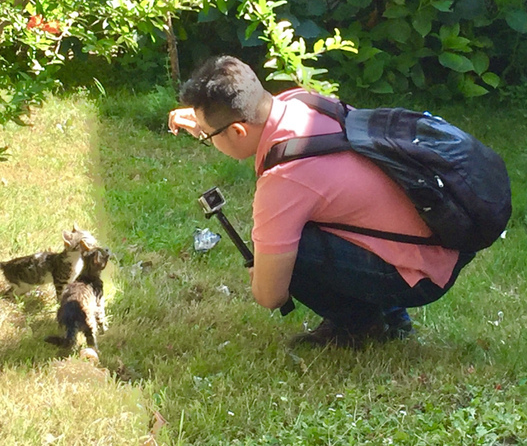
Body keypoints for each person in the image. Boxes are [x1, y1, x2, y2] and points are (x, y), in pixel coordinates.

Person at [167, 55, 475, 348]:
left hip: (420, 276)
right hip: (440, 240)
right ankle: (391, 317)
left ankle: (360, 323)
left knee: (289, 251)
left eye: (208, 136)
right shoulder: (301, 101)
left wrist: (264, 273)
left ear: (236, 130)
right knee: (310, 224)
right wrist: (204, 124)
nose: (206, 139)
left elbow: (270, 296)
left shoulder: (285, 180)